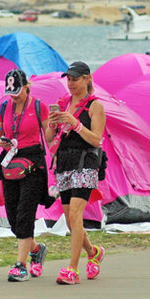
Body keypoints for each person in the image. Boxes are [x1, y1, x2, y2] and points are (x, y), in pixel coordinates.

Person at [0, 69, 53, 282]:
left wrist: (55, 125)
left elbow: (49, 136)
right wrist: (1, 141)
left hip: (33, 162)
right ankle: (36, 250)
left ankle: (20, 265)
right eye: (11, 92)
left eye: (17, 91)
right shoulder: (4, 108)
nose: (14, 96)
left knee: (26, 213)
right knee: (13, 217)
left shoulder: (38, 106)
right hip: (11, 161)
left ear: (26, 86)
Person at [48, 61, 107, 285]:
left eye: (75, 78)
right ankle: (93, 252)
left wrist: (76, 124)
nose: (71, 83)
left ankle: (72, 269)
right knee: (71, 221)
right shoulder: (62, 103)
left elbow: (97, 139)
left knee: (75, 215)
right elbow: (49, 139)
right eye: (69, 79)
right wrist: (52, 124)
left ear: (87, 79)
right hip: (63, 163)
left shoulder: (95, 106)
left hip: (86, 163)